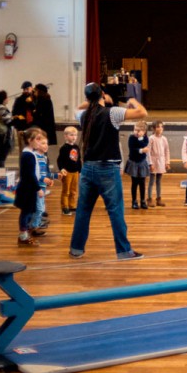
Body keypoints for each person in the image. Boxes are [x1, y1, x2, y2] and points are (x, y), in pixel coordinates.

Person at [68, 83, 147, 260]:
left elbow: (78, 108)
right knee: (115, 211)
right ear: (103, 94)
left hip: (88, 169)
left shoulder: (83, 116)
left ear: (87, 98)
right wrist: (133, 100)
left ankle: (76, 249)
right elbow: (143, 113)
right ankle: (124, 251)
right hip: (108, 169)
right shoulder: (113, 113)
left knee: (83, 210)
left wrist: (94, 99)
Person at [14, 127, 47, 247]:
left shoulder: (30, 153)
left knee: (28, 212)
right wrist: (38, 188)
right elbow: (30, 174)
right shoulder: (28, 155)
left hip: (29, 188)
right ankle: (23, 237)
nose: (39, 142)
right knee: (26, 212)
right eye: (37, 139)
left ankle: (26, 233)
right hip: (27, 189)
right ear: (29, 140)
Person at [30, 128, 53, 234]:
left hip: (42, 186)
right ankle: (34, 227)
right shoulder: (34, 157)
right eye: (43, 143)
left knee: (40, 208)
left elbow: (46, 173)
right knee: (39, 208)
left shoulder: (43, 157)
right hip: (37, 186)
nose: (46, 145)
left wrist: (55, 176)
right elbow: (34, 174)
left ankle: (36, 223)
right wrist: (43, 179)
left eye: (46, 143)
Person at [125, 120, 151, 210]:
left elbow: (144, 144)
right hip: (134, 162)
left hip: (142, 162)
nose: (136, 132)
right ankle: (134, 201)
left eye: (139, 130)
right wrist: (141, 150)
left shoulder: (146, 138)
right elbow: (132, 148)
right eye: (135, 129)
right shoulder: (132, 138)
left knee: (142, 182)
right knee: (134, 182)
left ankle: (143, 201)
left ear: (144, 132)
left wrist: (141, 140)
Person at [57, 126, 81, 215]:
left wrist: (80, 170)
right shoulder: (64, 148)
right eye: (71, 135)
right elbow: (60, 160)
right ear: (66, 136)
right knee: (66, 191)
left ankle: (72, 206)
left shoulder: (76, 147)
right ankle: (65, 207)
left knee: (73, 190)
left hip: (75, 172)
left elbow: (78, 159)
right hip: (67, 172)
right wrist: (61, 168)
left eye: (75, 135)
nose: (74, 137)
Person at [147, 120, 169, 207]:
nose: (160, 128)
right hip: (153, 160)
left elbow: (167, 150)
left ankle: (159, 198)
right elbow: (148, 152)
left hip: (161, 161)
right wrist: (150, 163)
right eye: (158, 127)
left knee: (159, 181)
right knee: (151, 181)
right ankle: (149, 199)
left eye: (161, 127)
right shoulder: (151, 138)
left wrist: (167, 162)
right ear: (153, 128)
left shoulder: (164, 139)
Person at [11, 81, 35, 152]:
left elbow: (36, 109)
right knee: (23, 146)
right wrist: (18, 116)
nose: (25, 91)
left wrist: (30, 102)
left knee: (33, 144)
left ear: (31, 88)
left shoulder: (35, 98)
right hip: (22, 125)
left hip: (33, 124)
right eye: (24, 89)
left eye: (27, 89)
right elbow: (14, 112)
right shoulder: (19, 99)